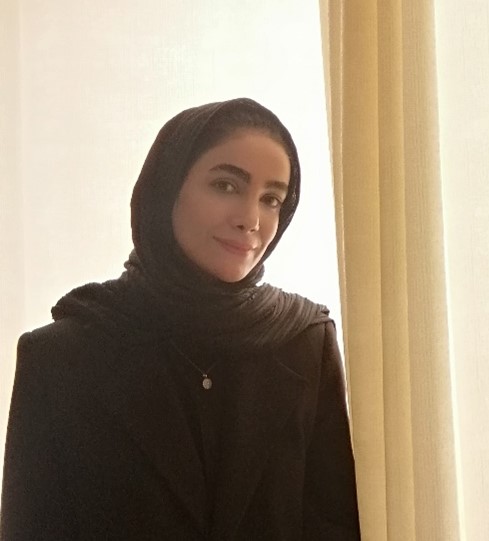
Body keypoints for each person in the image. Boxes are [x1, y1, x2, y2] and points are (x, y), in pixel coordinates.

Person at [1, 98, 360, 540]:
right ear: (166, 188)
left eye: (271, 199)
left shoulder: (305, 343)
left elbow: (334, 524)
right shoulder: (61, 357)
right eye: (226, 186)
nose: (250, 219)